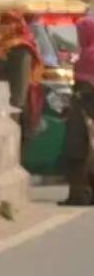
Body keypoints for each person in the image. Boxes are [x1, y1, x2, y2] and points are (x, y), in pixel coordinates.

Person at [0, 10, 44, 142]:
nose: (2, 27)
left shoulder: (21, 49)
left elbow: (20, 89)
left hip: (12, 113)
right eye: (2, 23)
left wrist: (12, 116)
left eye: (7, 23)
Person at [61, 17, 94, 206]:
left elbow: (86, 86)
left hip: (84, 112)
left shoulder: (89, 55)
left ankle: (79, 195)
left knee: (77, 154)